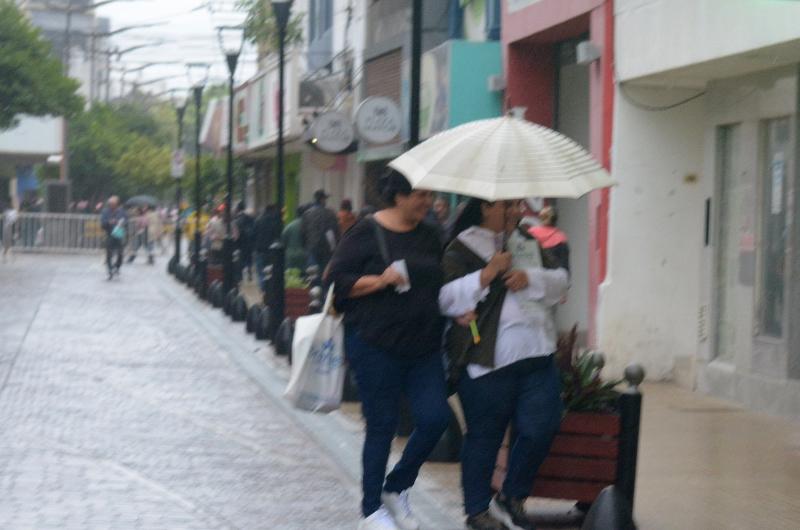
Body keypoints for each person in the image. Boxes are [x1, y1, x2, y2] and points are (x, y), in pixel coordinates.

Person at [328, 170, 451, 530]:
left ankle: (396, 487)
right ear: (399, 196)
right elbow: (337, 282)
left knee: (435, 418)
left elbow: (440, 279)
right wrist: (381, 279)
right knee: (382, 425)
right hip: (375, 345)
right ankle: (371, 510)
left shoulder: (431, 234)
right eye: (420, 196)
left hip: (424, 345)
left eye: (429, 196)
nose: (427, 202)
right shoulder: (367, 231)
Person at [439, 198, 569, 530]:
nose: (514, 211)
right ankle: (477, 510)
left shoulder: (528, 239)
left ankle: (513, 496)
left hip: (537, 354)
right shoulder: (461, 246)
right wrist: (487, 274)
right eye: (506, 205)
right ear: (484, 208)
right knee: (484, 436)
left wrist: (532, 278)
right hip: (486, 363)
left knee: (541, 425)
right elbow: (445, 298)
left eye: (516, 205)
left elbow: (561, 282)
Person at [301, 189, 340, 270]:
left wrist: (306, 246)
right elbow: (335, 232)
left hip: (311, 248)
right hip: (326, 249)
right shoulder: (330, 213)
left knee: (312, 274)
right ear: (322, 200)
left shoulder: (307, 214)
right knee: (324, 274)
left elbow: (303, 232)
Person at [528, 205, 570, 272]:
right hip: (552, 276)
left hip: (536, 276)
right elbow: (565, 268)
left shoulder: (530, 234)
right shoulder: (560, 237)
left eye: (545, 216)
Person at [253, 204, 282, 292]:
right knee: (270, 270)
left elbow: (253, 234)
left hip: (259, 249)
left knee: (260, 271)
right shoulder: (275, 221)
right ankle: (269, 288)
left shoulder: (258, 220)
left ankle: (263, 288)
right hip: (271, 250)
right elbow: (277, 235)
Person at [100, 196, 127, 279]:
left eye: (113, 203)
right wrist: (109, 222)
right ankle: (110, 270)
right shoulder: (105, 212)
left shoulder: (121, 212)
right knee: (109, 254)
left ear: (117, 204)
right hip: (110, 234)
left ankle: (117, 267)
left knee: (120, 254)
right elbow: (102, 224)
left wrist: (121, 223)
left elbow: (126, 221)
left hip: (119, 234)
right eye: (110, 203)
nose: (111, 205)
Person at [281, 204, 309, 271]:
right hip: (304, 255)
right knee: (303, 276)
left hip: (290, 255)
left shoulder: (290, 226)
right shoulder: (308, 225)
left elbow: (283, 240)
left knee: (291, 275)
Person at [234, 202, 256, 281]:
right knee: (249, 259)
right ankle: (249, 272)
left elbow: (236, 232)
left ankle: (241, 276)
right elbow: (254, 229)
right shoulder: (250, 218)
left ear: (238, 209)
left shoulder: (237, 219)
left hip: (240, 243)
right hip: (249, 243)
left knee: (241, 259)